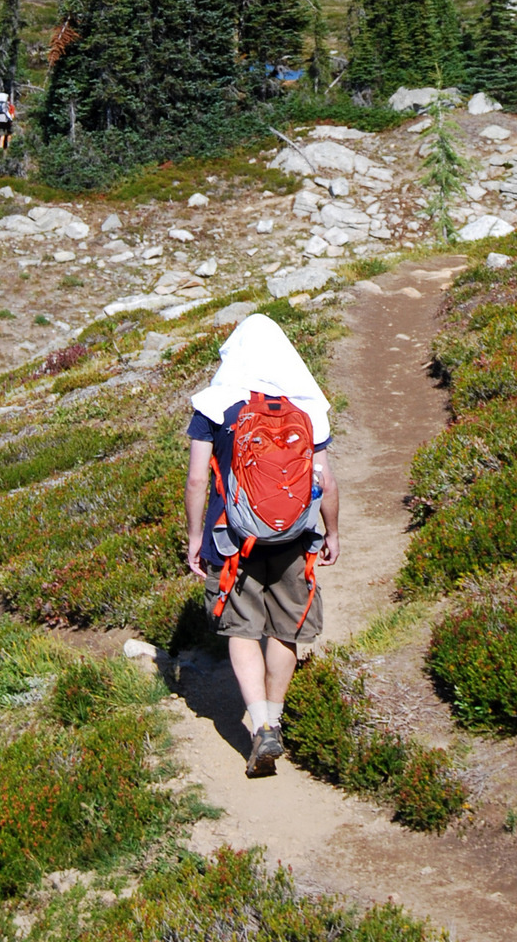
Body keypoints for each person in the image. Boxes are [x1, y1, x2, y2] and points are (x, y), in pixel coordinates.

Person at [185, 313, 340, 777]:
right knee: (285, 629)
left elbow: (197, 479)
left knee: (242, 629)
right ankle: (274, 717)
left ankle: (259, 728)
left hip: (231, 538)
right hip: (295, 536)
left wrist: (194, 538)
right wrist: (332, 533)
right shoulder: (307, 405)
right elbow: (325, 480)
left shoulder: (214, 405)